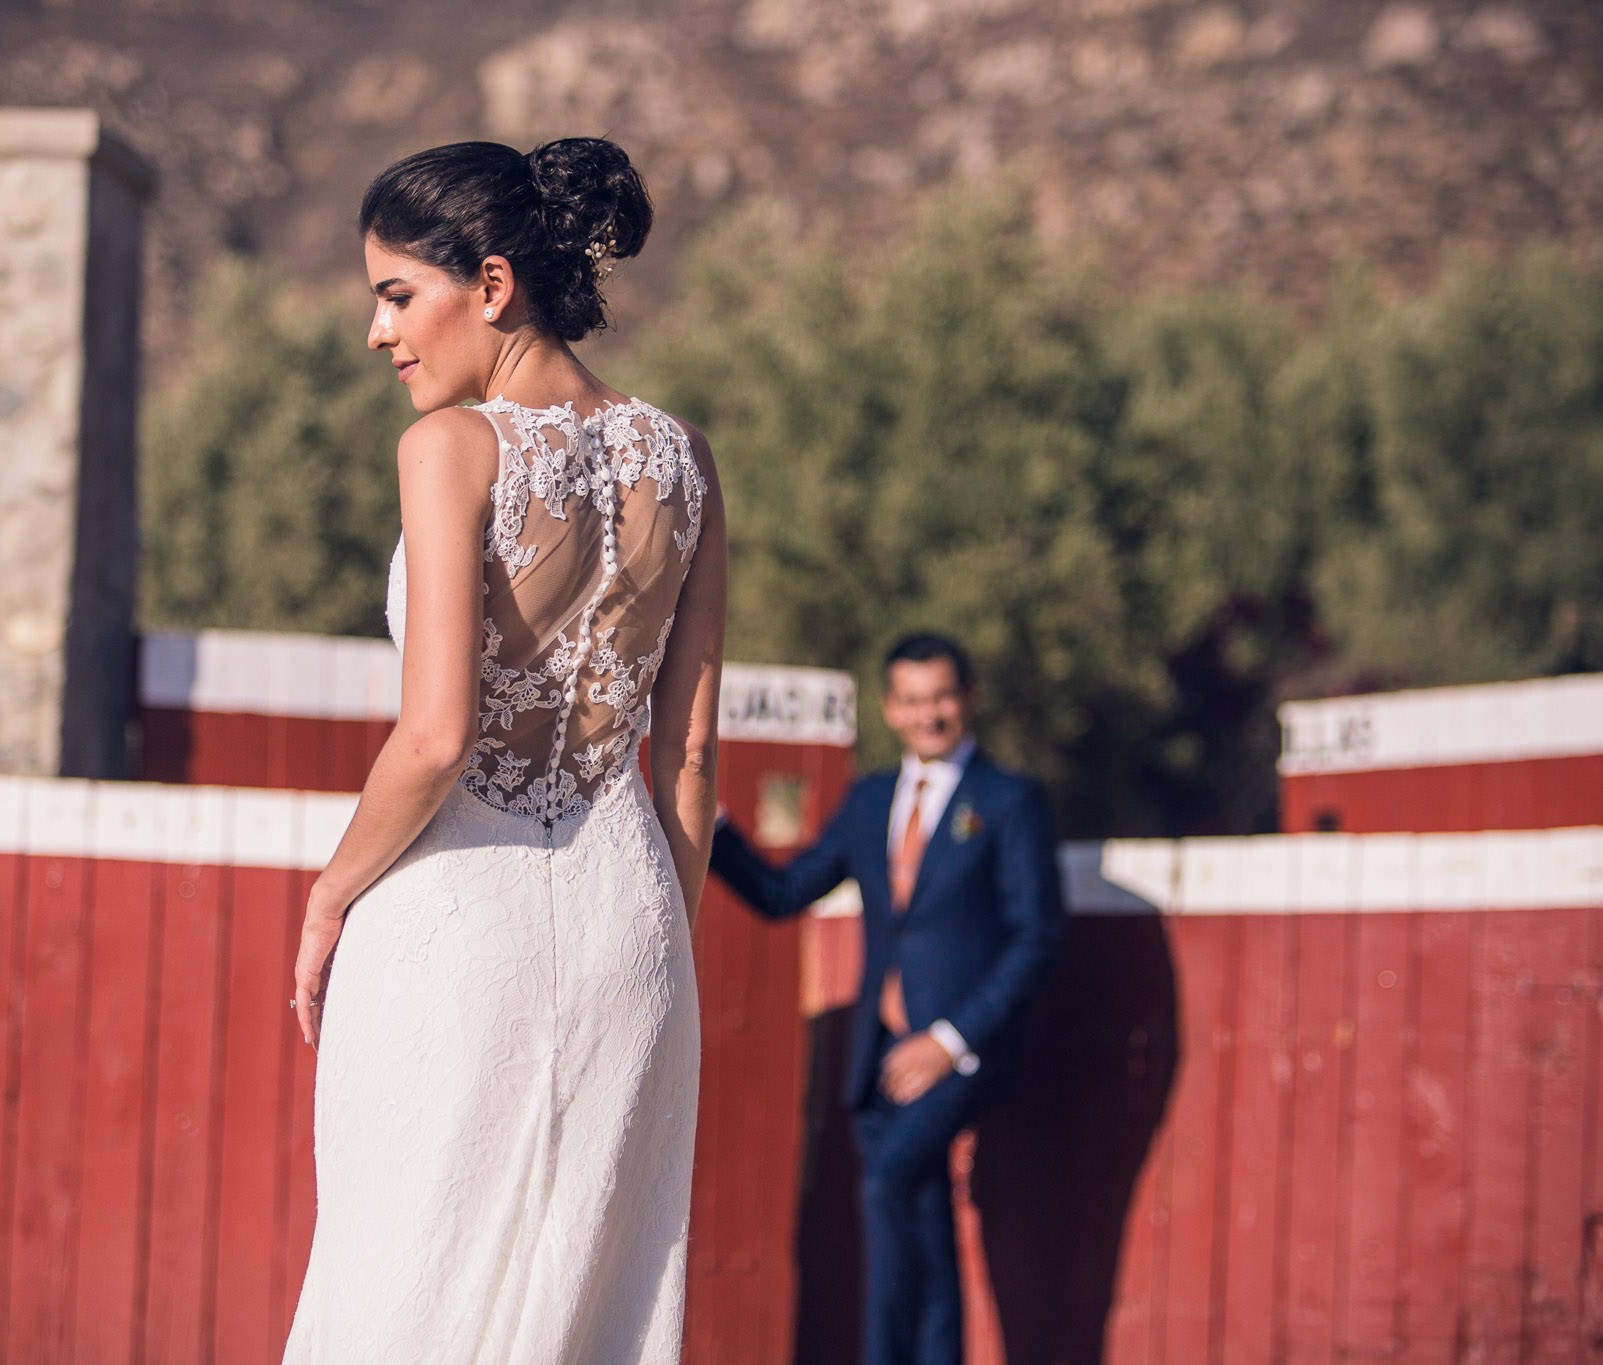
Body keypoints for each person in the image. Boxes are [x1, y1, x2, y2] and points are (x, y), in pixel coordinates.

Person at [282, 138, 726, 1364]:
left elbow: (434, 738)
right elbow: (688, 760)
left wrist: (329, 897)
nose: (379, 335)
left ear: (488, 287)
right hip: (630, 924)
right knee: (593, 1302)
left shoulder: (451, 448)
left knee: (399, 1280)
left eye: (394, 295)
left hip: (454, 919)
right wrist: (663, 955)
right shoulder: (682, 460)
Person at [708, 634, 1063, 1365]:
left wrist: (950, 1039)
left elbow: (1037, 938)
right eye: (912, 699)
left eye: (942, 696)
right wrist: (709, 828)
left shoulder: (1009, 800)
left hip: (961, 1055)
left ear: (967, 700)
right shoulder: (871, 799)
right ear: (889, 708)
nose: (929, 713)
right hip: (879, 1057)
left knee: (885, 1183)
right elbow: (784, 893)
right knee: (923, 1229)